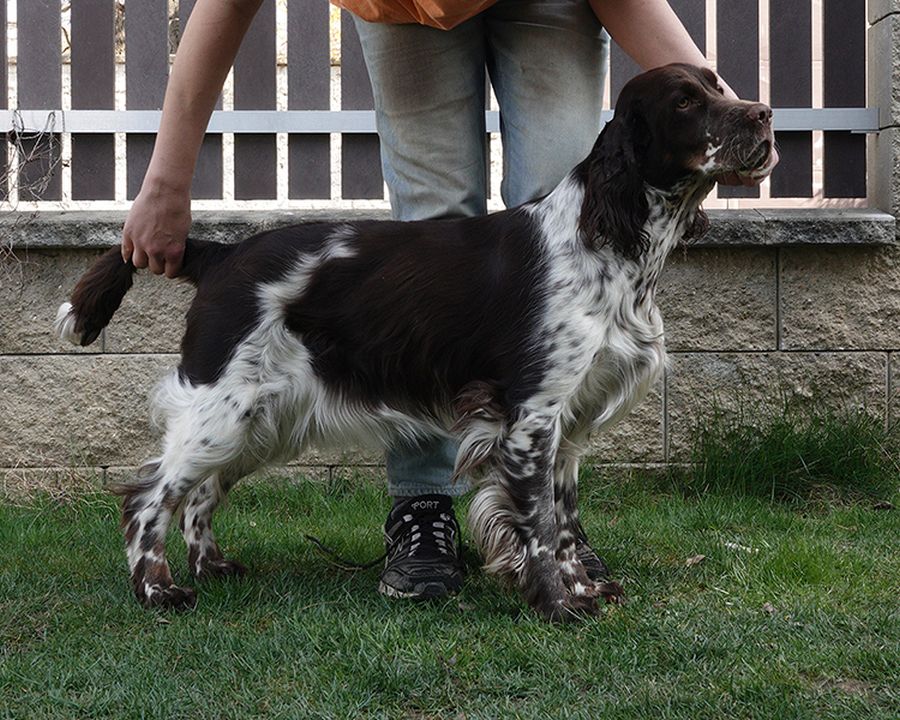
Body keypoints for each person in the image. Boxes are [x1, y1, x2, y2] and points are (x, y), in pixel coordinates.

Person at [122, 0, 777, 601]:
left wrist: (721, 109)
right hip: (403, 10)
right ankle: (425, 508)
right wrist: (166, 181)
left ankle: (538, 532)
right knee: (432, 227)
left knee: (563, 208)